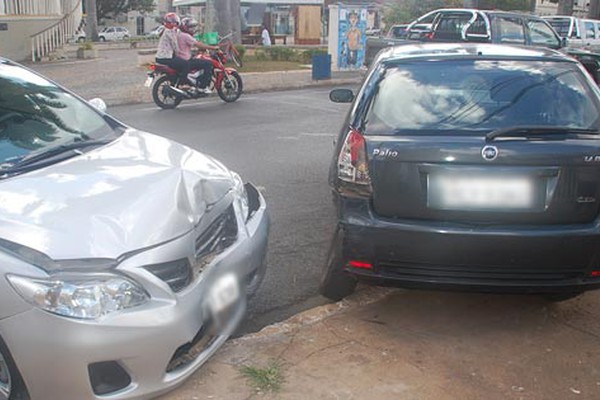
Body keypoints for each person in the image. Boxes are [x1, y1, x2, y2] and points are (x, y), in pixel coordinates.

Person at [177, 17, 219, 93]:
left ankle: (195, 81)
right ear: (186, 27)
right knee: (208, 63)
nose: (192, 29)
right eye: (191, 27)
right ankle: (203, 86)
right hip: (186, 60)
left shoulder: (179, 34)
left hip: (180, 59)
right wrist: (212, 47)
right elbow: (198, 44)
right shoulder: (186, 36)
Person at [155, 12, 189, 86]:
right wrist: (179, 54)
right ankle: (182, 83)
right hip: (166, 57)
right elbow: (175, 46)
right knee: (186, 64)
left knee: (179, 64)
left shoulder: (165, 30)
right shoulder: (169, 32)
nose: (174, 24)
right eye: (172, 22)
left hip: (160, 57)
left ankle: (176, 80)